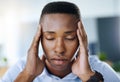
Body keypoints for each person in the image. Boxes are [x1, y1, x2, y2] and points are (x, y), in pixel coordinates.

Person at [0, 1, 120, 82]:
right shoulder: (22, 68)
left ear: (81, 38)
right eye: (50, 38)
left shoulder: (99, 69)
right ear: (39, 37)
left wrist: (87, 75)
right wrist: (28, 75)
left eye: (69, 38)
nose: (59, 49)